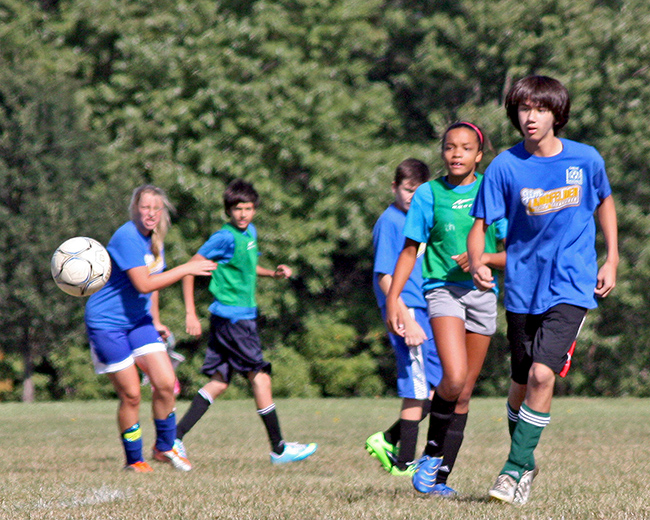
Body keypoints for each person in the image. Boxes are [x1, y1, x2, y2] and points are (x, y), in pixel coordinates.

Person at [467, 75, 618, 505]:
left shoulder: (585, 160)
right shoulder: (504, 167)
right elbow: (479, 227)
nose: (530, 117)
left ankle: (512, 470)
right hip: (522, 287)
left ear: (557, 113)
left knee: (541, 373)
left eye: (540, 109)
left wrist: (611, 258)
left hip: (572, 283)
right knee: (519, 381)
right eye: (523, 109)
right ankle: (526, 462)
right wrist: (478, 261)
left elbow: (604, 200)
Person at [386, 122, 507, 496]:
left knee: (466, 392)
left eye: (466, 148)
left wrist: (483, 258)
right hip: (442, 292)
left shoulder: (492, 190)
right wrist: (394, 298)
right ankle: (430, 454)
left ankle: (439, 478)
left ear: (479, 154)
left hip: (483, 295)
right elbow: (409, 250)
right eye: (450, 147)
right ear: (442, 152)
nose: (457, 154)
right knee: (453, 379)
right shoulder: (428, 194)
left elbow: (513, 252)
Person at [175, 179, 318, 465]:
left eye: (248, 208)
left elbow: (248, 267)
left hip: (232, 320)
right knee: (260, 377)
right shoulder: (224, 237)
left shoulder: (249, 232)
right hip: (235, 320)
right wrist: (190, 313)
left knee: (219, 381)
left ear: (254, 210)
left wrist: (272, 274)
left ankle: (172, 438)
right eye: (237, 209)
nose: (243, 214)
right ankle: (279, 448)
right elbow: (190, 269)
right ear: (228, 210)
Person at [84, 185, 217, 472]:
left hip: (139, 322)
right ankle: (134, 460)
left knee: (167, 383)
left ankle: (165, 447)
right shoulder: (127, 237)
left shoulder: (155, 239)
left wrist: (155, 321)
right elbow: (143, 283)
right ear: (135, 209)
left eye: (157, 208)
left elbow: (151, 288)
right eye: (145, 207)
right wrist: (185, 269)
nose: (151, 213)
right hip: (107, 324)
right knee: (132, 394)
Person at [365, 158, 443, 479]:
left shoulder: (418, 219)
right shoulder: (391, 221)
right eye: (407, 190)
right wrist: (401, 314)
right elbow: (385, 274)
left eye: (418, 191)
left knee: (438, 387)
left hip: (425, 309)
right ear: (394, 188)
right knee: (418, 388)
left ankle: (388, 440)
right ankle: (405, 462)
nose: (411, 197)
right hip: (407, 310)